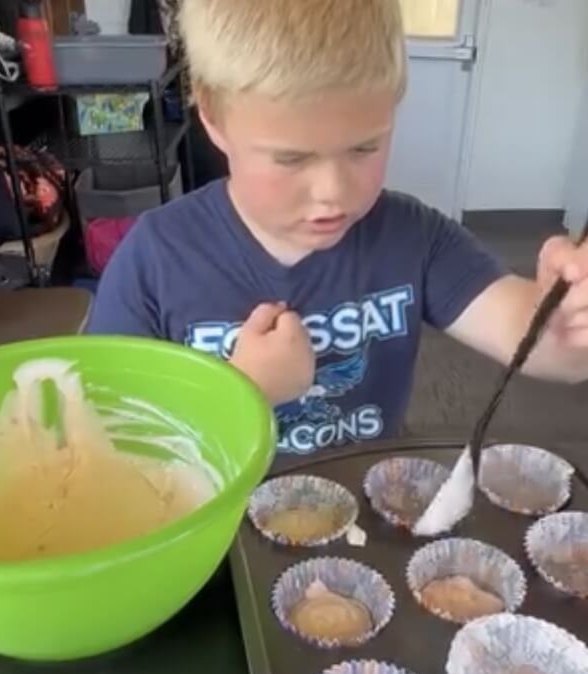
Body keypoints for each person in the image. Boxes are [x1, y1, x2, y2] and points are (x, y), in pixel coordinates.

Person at [88, 0, 588, 458]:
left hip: (362, 527)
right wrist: (242, 392)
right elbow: (109, 448)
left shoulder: (412, 237)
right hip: (221, 542)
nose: (333, 192)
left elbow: (545, 347)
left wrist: (569, 313)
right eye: (291, 158)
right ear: (214, 117)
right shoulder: (154, 259)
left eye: (364, 149)